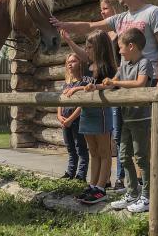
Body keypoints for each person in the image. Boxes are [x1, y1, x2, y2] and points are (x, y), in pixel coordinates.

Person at [51, 0, 158, 89]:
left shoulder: (153, 12)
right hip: (125, 83)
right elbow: (89, 26)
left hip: (149, 81)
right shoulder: (119, 18)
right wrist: (62, 24)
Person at [87, 28, 153, 213]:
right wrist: (97, 86)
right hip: (127, 117)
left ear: (131, 46)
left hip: (141, 117)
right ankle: (132, 193)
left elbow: (140, 83)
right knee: (124, 156)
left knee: (141, 157)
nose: (120, 51)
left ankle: (147, 196)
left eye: (121, 47)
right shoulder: (124, 65)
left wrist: (115, 83)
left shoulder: (144, 63)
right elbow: (111, 82)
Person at [62, 30, 116, 204]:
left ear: (99, 48)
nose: (87, 50)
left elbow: (105, 86)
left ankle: (101, 187)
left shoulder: (106, 67)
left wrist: (78, 89)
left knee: (104, 151)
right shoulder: (88, 66)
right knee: (93, 151)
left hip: (100, 112)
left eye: (90, 47)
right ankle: (92, 184)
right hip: (87, 113)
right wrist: (70, 41)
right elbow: (80, 54)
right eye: (86, 47)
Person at [98, 0, 127, 191]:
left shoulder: (123, 35)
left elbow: (123, 64)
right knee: (106, 136)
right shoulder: (104, 36)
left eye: (105, 9)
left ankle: (121, 178)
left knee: (119, 136)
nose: (102, 13)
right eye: (101, 10)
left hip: (118, 89)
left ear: (115, 10)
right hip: (104, 90)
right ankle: (105, 178)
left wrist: (114, 80)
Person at [57, 53, 89, 181]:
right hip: (65, 120)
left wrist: (71, 119)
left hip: (77, 121)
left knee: (80, 148)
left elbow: (82, 105)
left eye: (73, 61)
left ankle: (81, 175)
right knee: (70, 148)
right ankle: (70, 172)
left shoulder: (83, 82)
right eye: (68, 62)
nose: (70, 64)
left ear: (80, 63)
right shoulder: (66, 84)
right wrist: (59, 115)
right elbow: (60, 101)